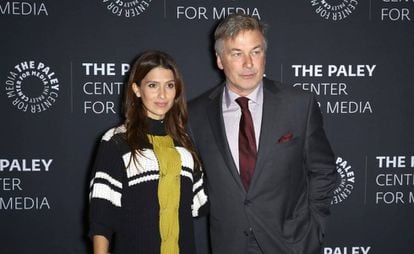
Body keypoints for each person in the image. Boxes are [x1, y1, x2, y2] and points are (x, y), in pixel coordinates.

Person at [188, 14, 337, 254]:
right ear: (219, 60)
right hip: (229, 244)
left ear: (264, 56)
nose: (248, 63)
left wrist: (314, 227)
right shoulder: (195, 115)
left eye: (256, 52)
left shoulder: (298, 104)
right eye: (237, 53)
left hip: (291, 244)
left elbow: (323, 170)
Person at [88, 50, 208, 254]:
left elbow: (200, 205)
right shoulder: (117, 140)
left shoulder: (185, 143)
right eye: (153, 85)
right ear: (136, 89)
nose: (162, 95)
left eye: (169, 85)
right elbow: (101, 212)